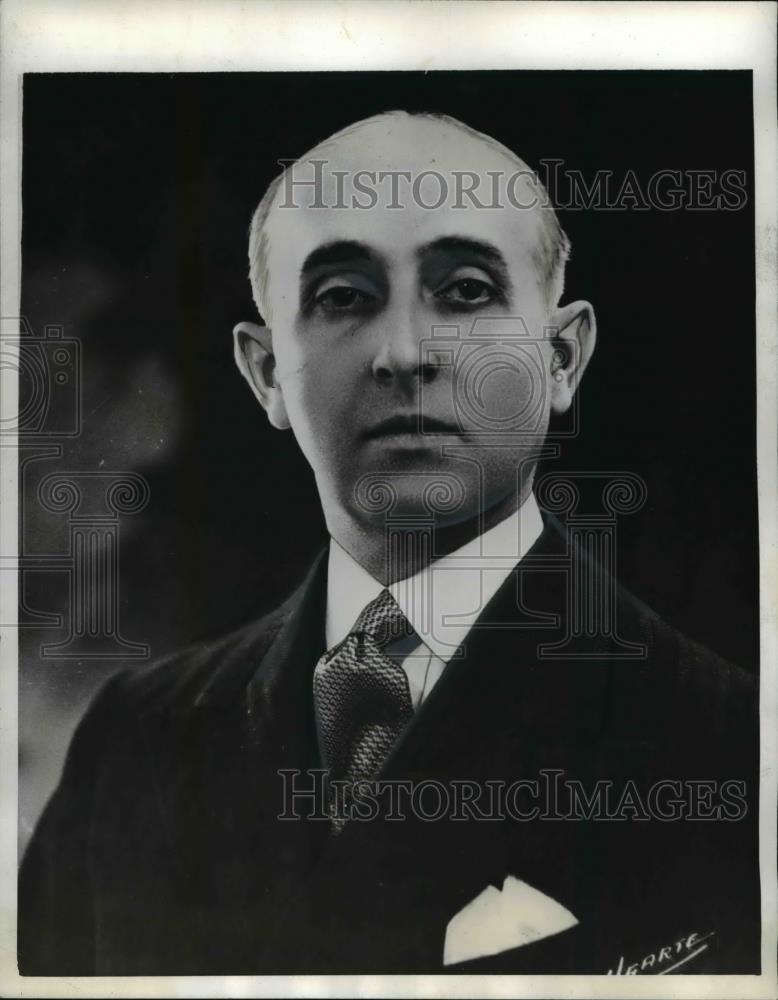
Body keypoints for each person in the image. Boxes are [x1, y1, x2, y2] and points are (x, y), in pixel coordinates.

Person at [19, 111, 759, 975]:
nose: (405, 352)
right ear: (266, 373)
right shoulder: (132, 745)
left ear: (561, 358)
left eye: (468, 290)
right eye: (343, 298)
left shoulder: (727, 750)